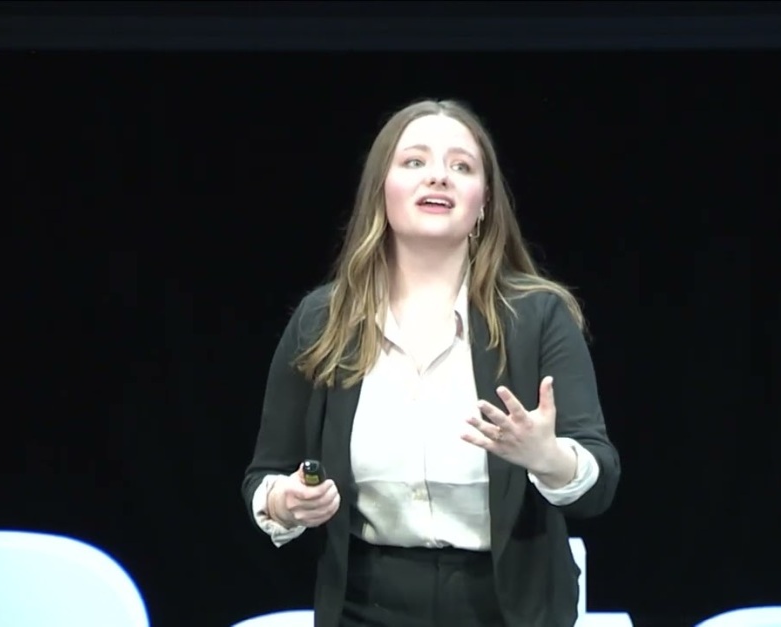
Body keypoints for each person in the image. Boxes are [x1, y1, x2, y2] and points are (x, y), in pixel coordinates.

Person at [241, 98, 620, 627]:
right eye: (414, 161)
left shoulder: (538, 316)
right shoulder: (321, 320)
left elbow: (599, 484)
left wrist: (548, 457)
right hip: (364, 606)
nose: (438, 176)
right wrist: (285, 503)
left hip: (512, 609)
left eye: (461, 166)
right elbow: (265, 475)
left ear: (483, 203)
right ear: (381, 190)